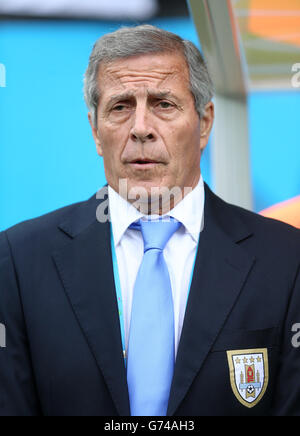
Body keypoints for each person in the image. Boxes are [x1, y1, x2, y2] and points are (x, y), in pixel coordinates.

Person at [0, 24, 300, 417]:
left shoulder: (286, 259)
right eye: (121, 106)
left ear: (205, 122)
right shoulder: (19, 262)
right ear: (95, 129)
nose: (141, 128)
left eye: (163, 104)